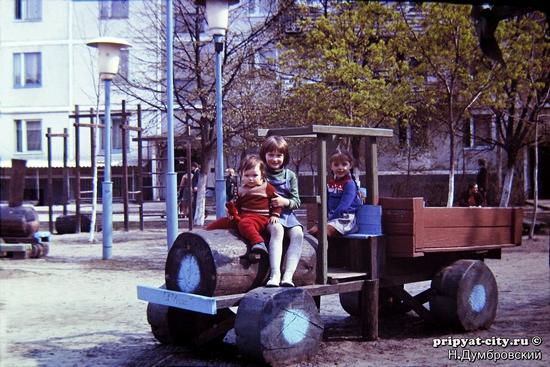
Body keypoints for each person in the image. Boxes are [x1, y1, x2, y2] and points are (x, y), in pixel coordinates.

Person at [206, 155, 281, 255]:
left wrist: (275, 214)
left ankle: (258, 242)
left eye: (254, 175)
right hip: (243, 216)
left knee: (244, 224)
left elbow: (277, 202)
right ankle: (204, 234)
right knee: (222, 222)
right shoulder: (241, 189)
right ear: (241, 175)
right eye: (247, 175)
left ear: (262, 175)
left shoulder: (267, 187)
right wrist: (232, 210)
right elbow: (238, 204)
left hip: (260, 218)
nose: (251, 179)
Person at [260, 136, 304, 287]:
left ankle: (288, 275)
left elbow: (296, 201)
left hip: (287, 214)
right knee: (277, 230)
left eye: (279, 155)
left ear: (284, 157)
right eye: (271, 155)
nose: (275, 159)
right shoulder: (260, 172)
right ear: (264, 155)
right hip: (266, 214)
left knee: (298, 233)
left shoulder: (290, 175)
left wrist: (284, 202)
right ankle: (275, 273)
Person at [309, 150, 362, 237]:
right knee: (311, 232)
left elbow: (343, 206)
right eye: (336, 165)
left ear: (350, 166)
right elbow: (325, 203)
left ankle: (324, 249)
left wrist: (328, 220)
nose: (340, 168)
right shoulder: (330, 184)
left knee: (323, 231)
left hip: (345, 219)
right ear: (331, 166)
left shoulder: (350, 184)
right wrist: (322, 219)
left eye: (344, 164)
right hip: (331, 218)